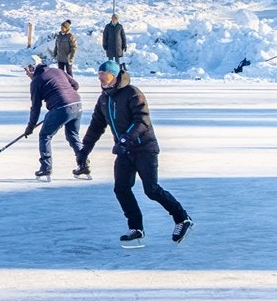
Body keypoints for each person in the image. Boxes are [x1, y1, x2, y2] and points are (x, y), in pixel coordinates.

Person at [76, 60, 191, 248]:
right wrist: (84, 149)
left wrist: (125, 139)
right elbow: (96, 126)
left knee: (151, 189)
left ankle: (182, 218)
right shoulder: (104, 99)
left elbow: (142, 120)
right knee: (121, 188)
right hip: (125, 151)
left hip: (144, 149)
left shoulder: (132, 93)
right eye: (100, 76)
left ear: (115, 76)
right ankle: (136, 228)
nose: (102, 80)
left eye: (105, 76)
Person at [22, 55, 88, 181]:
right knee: (73, 135)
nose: (26, 74)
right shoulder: (58, 71)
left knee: (45, 135)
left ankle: (46, 168)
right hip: (77, 104)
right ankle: (83, 164)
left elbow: (35, 108)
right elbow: (76, 85)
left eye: (26, 70)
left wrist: (30, 127)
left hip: (61, 108)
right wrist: (66, 95)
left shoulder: (36, 81)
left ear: (32, 68)